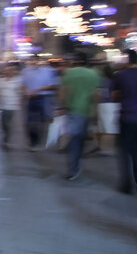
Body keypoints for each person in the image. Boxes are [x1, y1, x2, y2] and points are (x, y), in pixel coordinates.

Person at [112, 49, 137, 193]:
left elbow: (114, 96)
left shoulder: (120, 76)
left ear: (127, 60)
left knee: (124, 152)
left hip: (127, 118)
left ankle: (126, 185)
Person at [59, 52, 100, 180]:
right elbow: (95, 94)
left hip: (73, 110)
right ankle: (76, 163)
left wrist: (62, 106)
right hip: (87, 111)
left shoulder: (69, 73)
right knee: (81, 139)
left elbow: (64, 91)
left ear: (75, 61)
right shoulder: (94, 74)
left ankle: (73, 168)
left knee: (74, 139)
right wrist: (95, 111)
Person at [21, 59, 58, 150]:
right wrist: (25, 92)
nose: (35, 63)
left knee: (41, 121)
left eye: (37, 62)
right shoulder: (26, 71)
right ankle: (32, 141)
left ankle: (37, 140)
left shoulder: (47, 71)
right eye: (33, 62)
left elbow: (51, 85)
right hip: (30, 99)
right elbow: (22, 84)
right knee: (30, 121)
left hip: (43, 98)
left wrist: (38, 90)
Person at [0, 62, 22, 148]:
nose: (7, 72)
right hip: (2, 105)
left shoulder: (18, 80)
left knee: (8, 123)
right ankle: (6, 137)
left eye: (10, 70)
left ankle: (7, 140)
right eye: (6, 70)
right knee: (3, 123)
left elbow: (20, 92)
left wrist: (20, 101)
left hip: (12, 105)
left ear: (13, 71)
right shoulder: (0, 81)